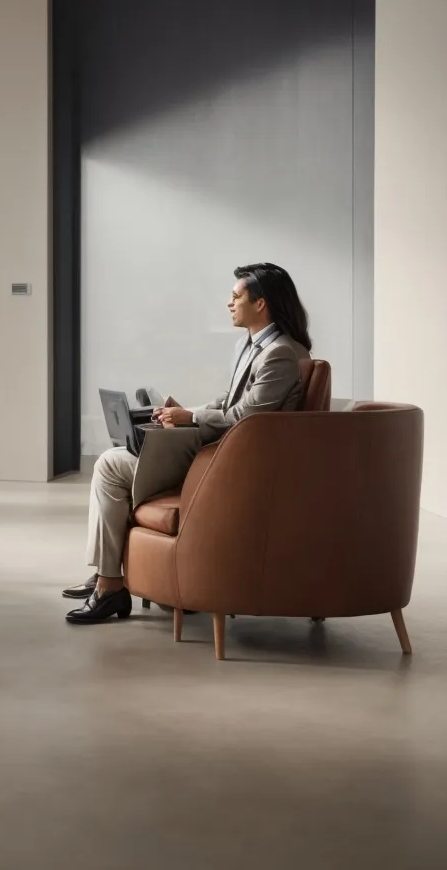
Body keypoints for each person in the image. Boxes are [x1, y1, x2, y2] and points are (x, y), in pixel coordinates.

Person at [65, 262, 313, 625]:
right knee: (121, 457)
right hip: (219, 453)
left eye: (236, 296)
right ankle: (109, 574)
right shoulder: (256, 346)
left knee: (110, 465)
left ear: (261, 304)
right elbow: (227, 401)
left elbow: (247, 419)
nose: (229, 304)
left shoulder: (280, 354)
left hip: (227, 465)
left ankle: (110, 583)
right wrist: (185, 412)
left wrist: (191, 419)